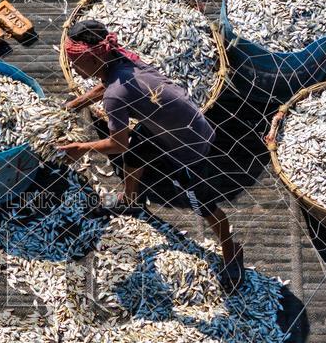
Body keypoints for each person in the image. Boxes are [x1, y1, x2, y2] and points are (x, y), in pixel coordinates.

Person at [58, 19, 245, 291]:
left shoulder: (115, 96)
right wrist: (74, 105)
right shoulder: (120, 62)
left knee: (204, 205)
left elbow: (116, 143)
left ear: (94, 57)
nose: (73, 67)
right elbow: (106, 88)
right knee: (134, 155)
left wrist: (79, 149)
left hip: (189, 146)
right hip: (163, 124)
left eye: (76, 61)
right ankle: (131, 201)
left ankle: (231, 252)